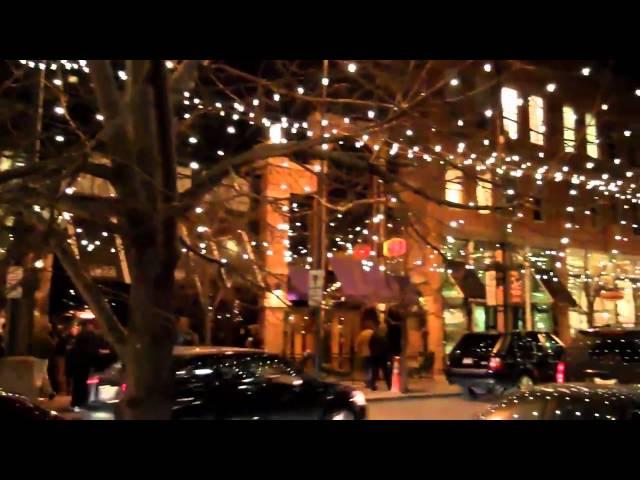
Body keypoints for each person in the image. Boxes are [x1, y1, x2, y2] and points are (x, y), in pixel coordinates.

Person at [66, 321, 100, 411]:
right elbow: (92, 350)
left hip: (78, 363)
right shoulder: (89, 336)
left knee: (78, 384)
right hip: (84, 363)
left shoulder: (79, 337)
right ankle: (81, 402)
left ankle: (77, 403)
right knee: (82, 384)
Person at [30, 322, 56, 400]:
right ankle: (49, 392)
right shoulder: (47, 338)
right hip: (44, 358)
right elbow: (52, 347)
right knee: (43, 375)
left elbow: (29, 346)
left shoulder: (35, 336)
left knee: (37, 376)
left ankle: (39, 392)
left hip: (35, 357)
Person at [355, 308, 376, 387]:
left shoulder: (363, 333)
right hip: (372, 353)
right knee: (371, 367)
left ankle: (367, 381)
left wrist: (356, 350)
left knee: (366, 368)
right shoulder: (373, 333)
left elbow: (357, 343)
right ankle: (370, 381)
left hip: (364, 353)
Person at [369, 319, 392, 391]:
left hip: (375, 356)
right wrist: (389, 357)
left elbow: (370, 344)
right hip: (383, 356)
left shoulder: (374, 334)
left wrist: (372, 352)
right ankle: (389, 385)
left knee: (374, 371)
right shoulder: (386, 336)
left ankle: (373, 385)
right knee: (386, 372)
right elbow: (388, 347)